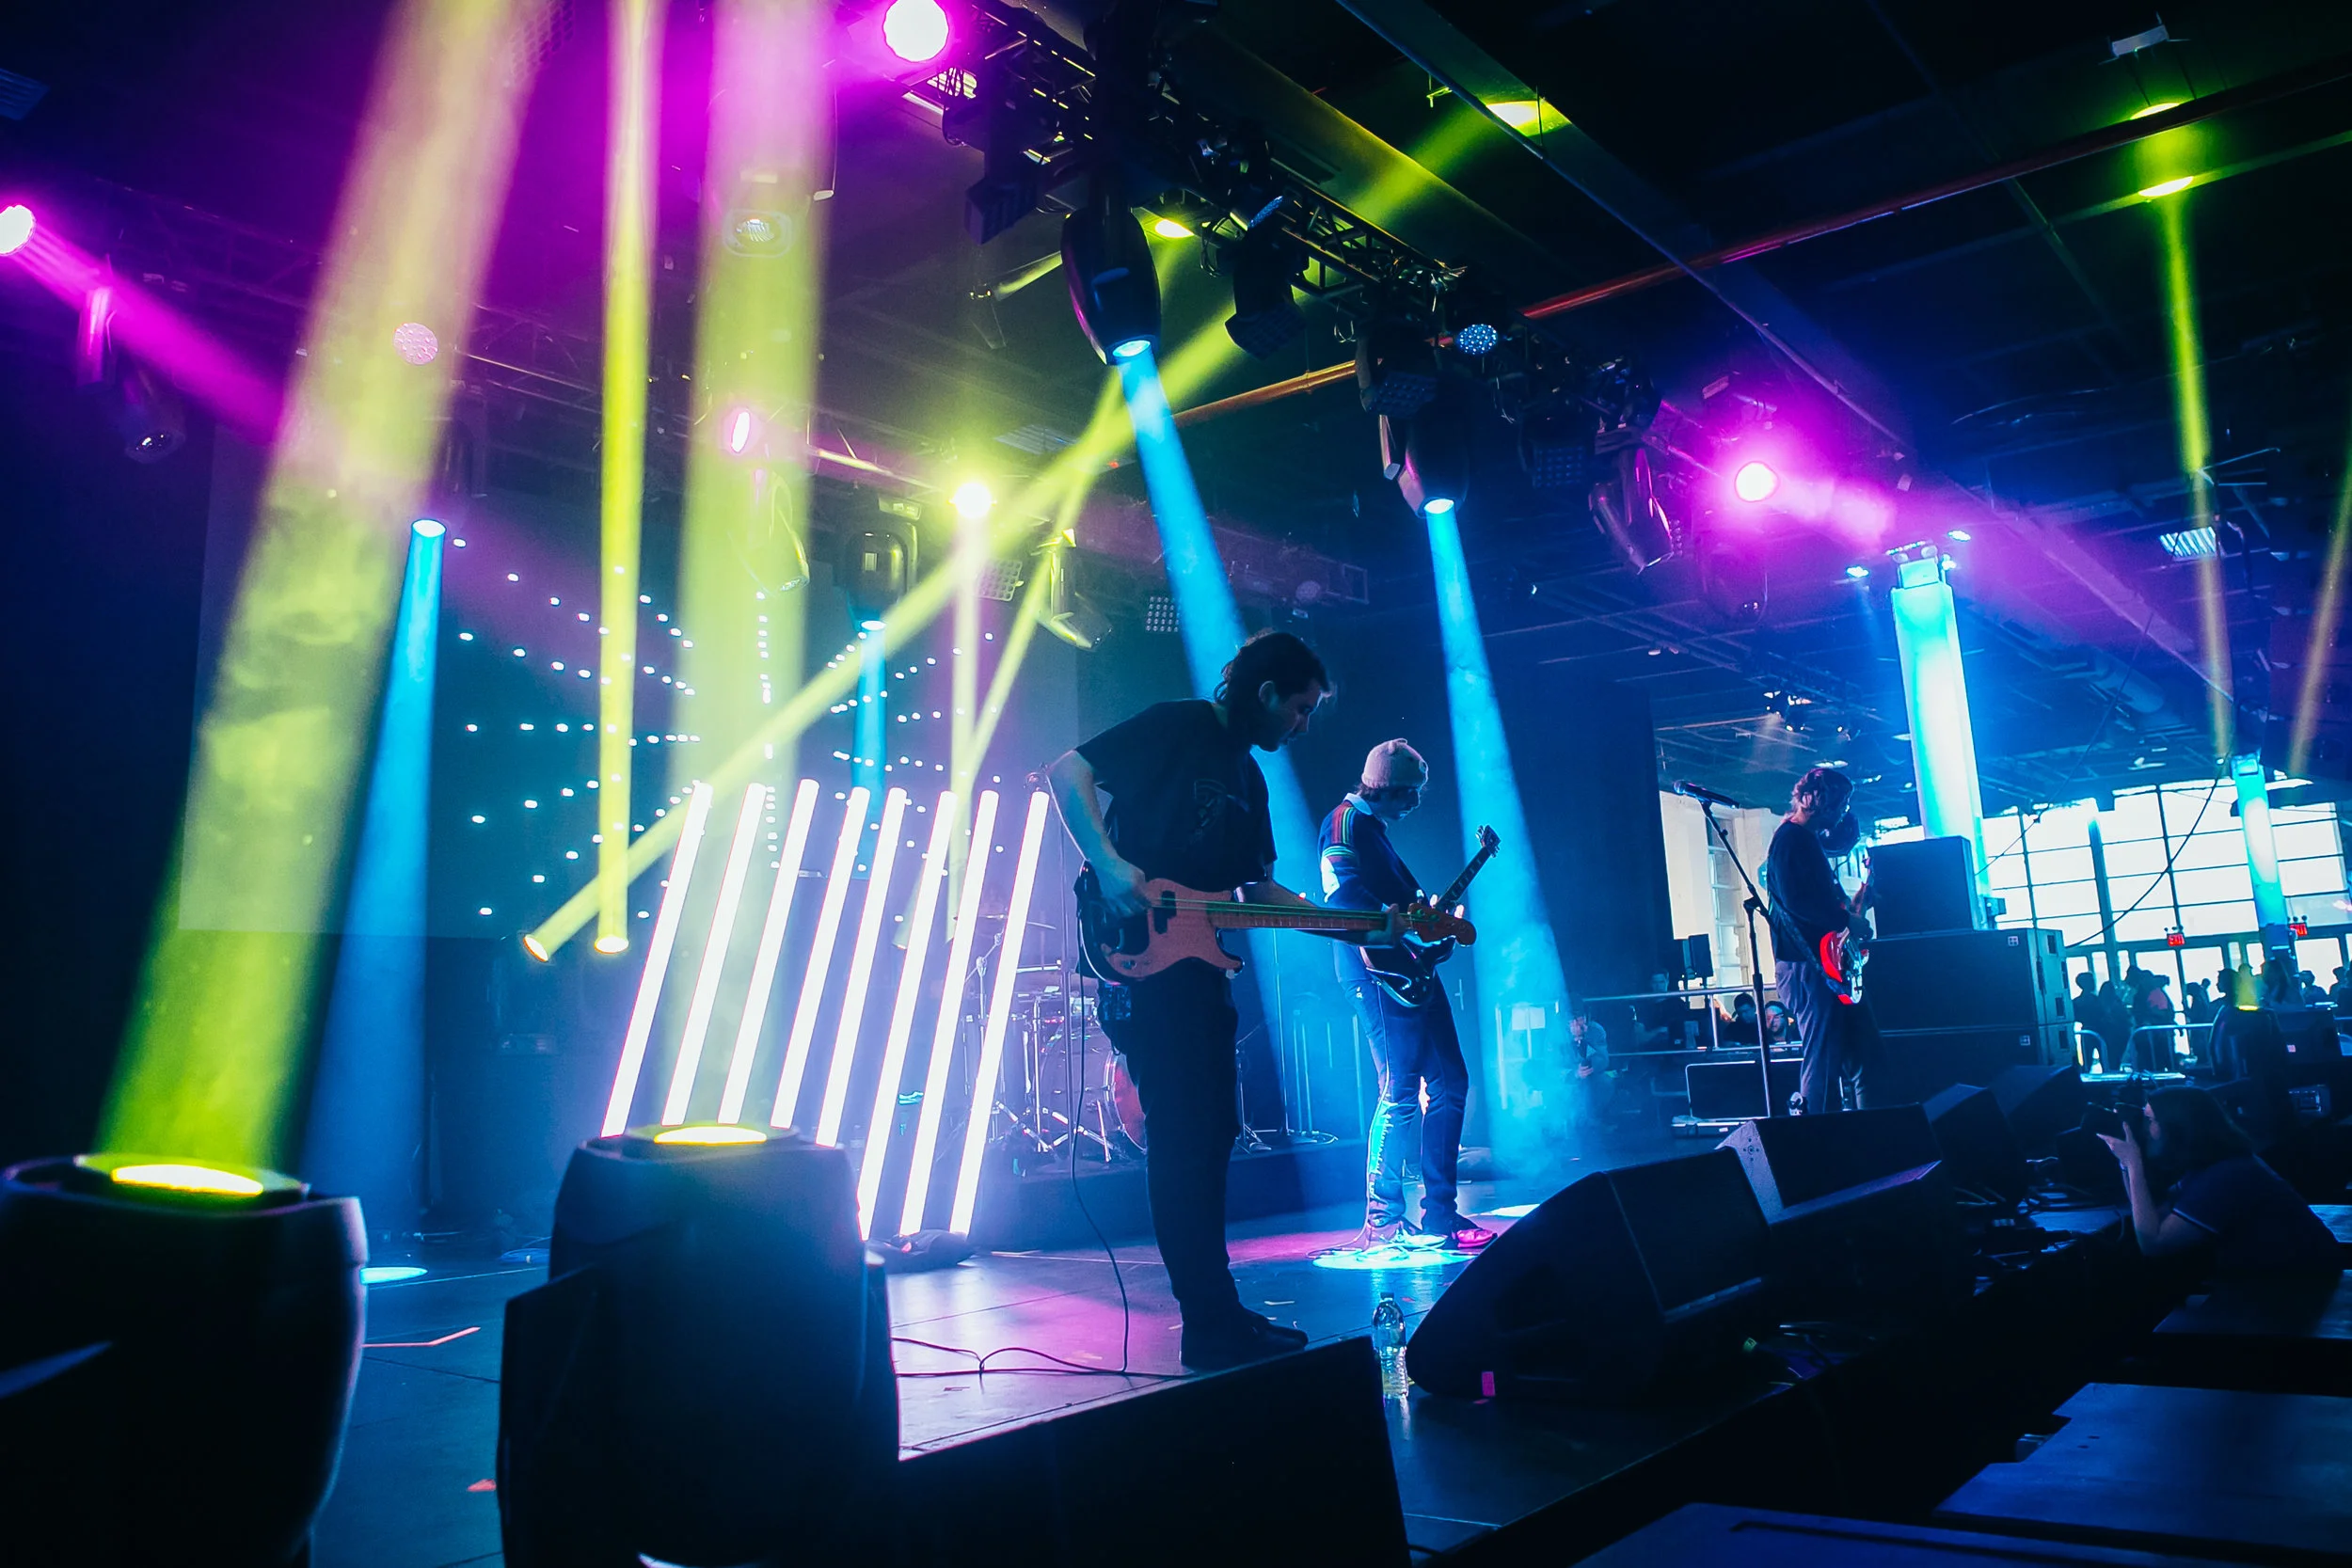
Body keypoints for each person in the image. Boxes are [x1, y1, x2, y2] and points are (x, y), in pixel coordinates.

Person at [1048, 630, 1402, 1370]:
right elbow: (1068, 769)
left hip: (1200, 965)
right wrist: (1107, 864)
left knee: (1211, 1133)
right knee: (1184, 1134)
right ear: (1266, 692)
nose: (1302, 724)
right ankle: (1206, 1321)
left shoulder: (1251, 778)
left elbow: (1260, 891)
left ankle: (1215, 1312)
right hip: (1140, 952)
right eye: (1300, 708)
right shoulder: (1178, 724)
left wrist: (1358, 926)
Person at [1318, 738, 1492, 1254]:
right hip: (1374, 973)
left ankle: (1440, 1214)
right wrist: (1410, 934)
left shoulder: (1372, 829)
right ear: (1386, 788)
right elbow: (1342, 896)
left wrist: (1431, 934)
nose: (1417, 802)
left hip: (1407, 971)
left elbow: (1402, 908)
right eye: (1411, 793)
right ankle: (1383, 1220)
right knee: (1398, 1091)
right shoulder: (1344, 823)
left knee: (1451, 1084)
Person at [2096, 1086, 2341, 1275]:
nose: (2146, 1129)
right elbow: (2155, 1216)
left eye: (2150, 1120)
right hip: (2284, 1274)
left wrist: (2133, 1163)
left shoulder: (2226, 1176)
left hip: (2300, 1283)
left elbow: (2153, 1243)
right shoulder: (2216, 1163)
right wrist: (2127, 1163)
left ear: (2177, 1127)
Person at [1764, 766, 1872, 1115]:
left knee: (1860, 1055)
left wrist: (1851, 909)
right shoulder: (1790, 840)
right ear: (1818, 801)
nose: (1844, 811)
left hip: (1818, 963)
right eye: (1840, 803)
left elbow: (1814, 902)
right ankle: (1819, 1135)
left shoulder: (1804, 839)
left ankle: (1865, 1129)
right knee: (1823, 1061)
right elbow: (1798, 902)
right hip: (1806, 966)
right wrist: (1846, 920)